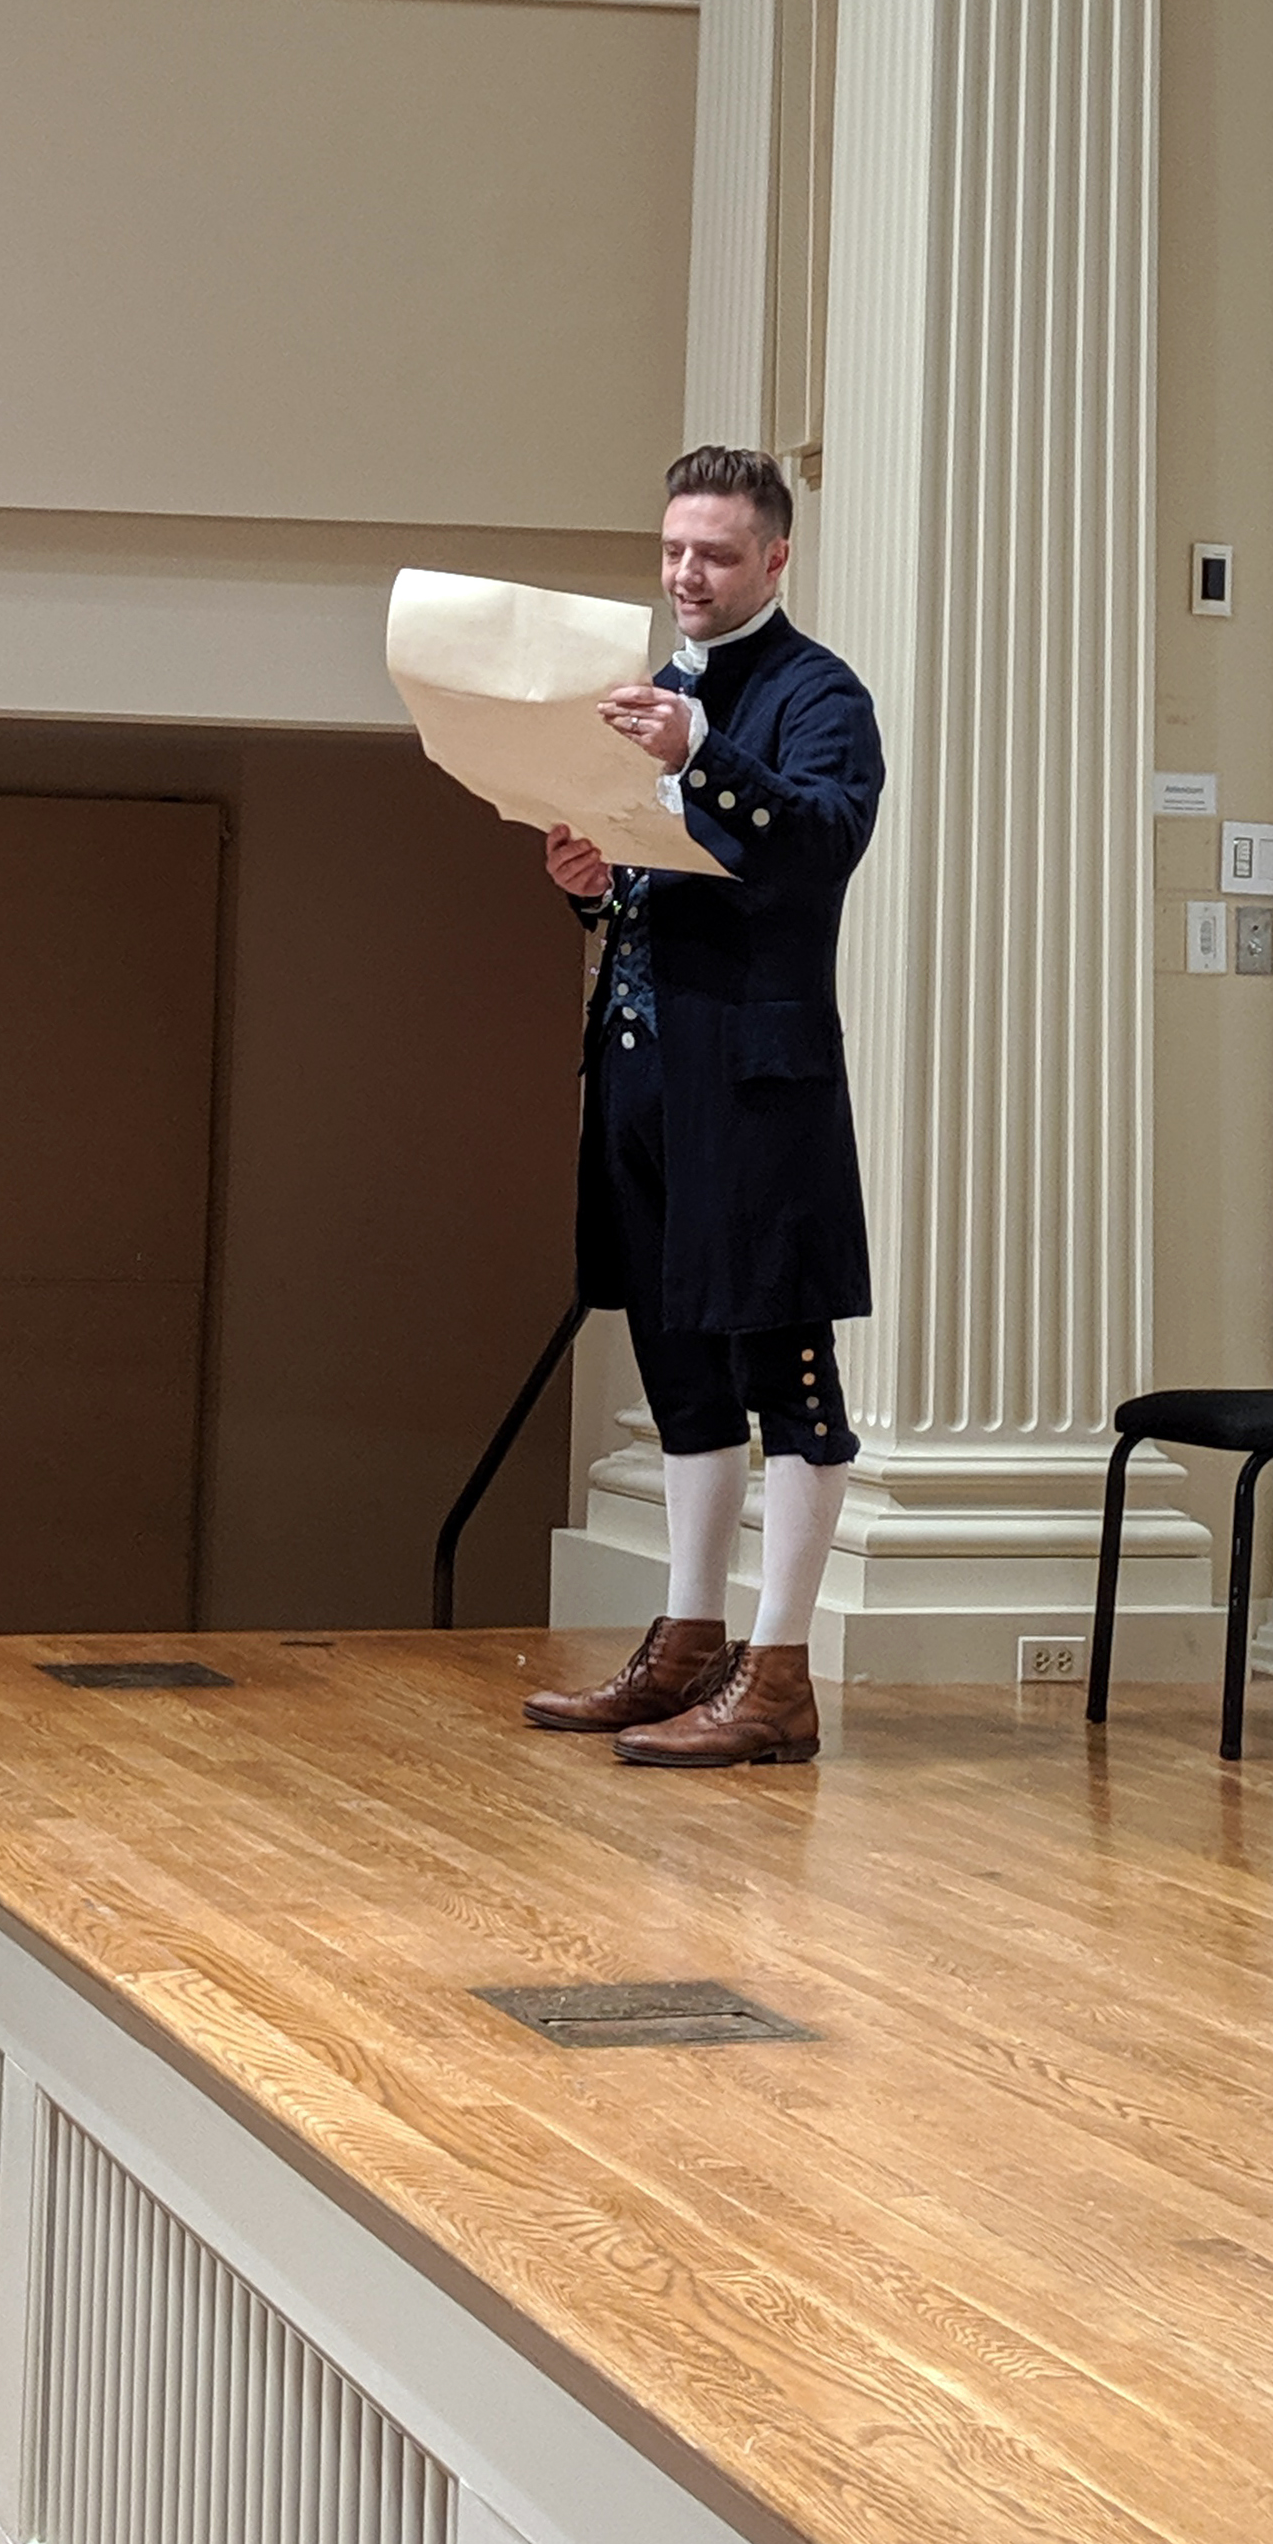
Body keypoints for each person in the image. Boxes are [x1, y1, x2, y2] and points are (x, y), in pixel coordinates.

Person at [523, 446, 883, 1767]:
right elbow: (655, 881)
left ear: (775, 558)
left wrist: (705, 752)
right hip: (641, 1070)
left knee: (782, 1367)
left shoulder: (814, 692)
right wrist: (585, 873)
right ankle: (685, 1640)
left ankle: (776, 1668)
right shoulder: (655, 689)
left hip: (755, 1084)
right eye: (675, 549)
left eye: (717, 553)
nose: (687, 574)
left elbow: (819, 842)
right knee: (676, 1364)